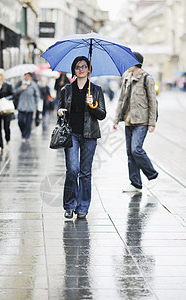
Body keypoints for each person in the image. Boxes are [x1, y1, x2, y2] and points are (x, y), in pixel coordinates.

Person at [58, 56, 106, 219]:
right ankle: (69, 205)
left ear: (89, 69)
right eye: (78, 67)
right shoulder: (66, 90)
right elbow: (61, 113)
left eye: (84, 66)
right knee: (72, 170)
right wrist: (60, 113)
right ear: (74, 70)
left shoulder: (96, 90)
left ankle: (83, 207)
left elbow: (102, 115)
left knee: (85, 172)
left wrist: (93, 105)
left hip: (90, 135)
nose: (81, 69)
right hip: (71, 134)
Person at [113, 52, 158, 192]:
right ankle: (136, 184)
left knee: (136, 149)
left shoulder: (147, 78)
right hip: (128, 120)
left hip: (142, 121)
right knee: (130, 153)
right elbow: (121, 100)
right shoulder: (126, 78)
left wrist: (152, 122)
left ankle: (152, 174)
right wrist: (116, 119)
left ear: (136, 62)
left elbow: (152, 102)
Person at [15, 72, 40, 142]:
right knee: (20, 121)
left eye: (28, 76)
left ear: (31, 77)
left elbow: (37, 95)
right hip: (21, 106)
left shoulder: (33, 85)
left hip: (30, 106)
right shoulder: (20, 83)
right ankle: (23, 133)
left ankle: (26, 136)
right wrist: (21, 88)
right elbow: (14, 92)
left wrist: (36, 105)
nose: (27, 77)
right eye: (26, 75)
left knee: (28, 123)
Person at [0, 68, 14, 151]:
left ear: (1, 76)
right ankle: (1, 145)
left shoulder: (8, 85)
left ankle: (7, 139)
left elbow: (13, 95)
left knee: (6, 126)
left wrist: (4, 98)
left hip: (6, 109)